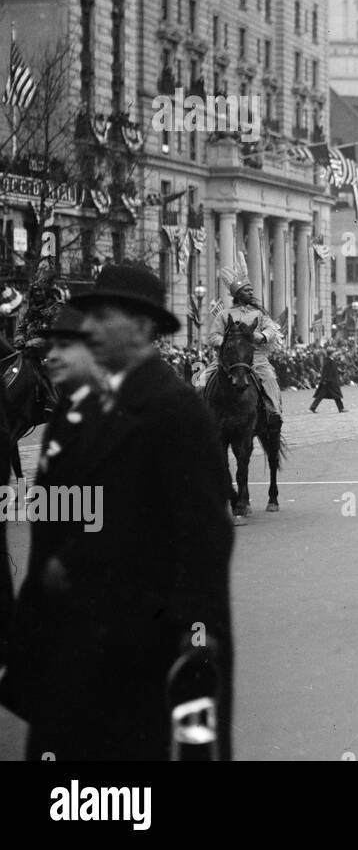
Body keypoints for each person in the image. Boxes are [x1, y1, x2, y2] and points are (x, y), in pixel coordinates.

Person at [4, 266, 233, 760]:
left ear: (142, 325)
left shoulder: (176, 410)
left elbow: (203, 550)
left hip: (136, 653)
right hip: (69, 647)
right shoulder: (77, 409)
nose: (91, 329)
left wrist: (195, 654)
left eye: (105, 317)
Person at [0, 306, 106, 741]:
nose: (51, 356)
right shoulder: (68, 419)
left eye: (64, 347)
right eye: (52, 347)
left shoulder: (124, 416)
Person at [196, 258, 284, 419]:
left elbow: (271, 328)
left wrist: (261, 336)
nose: (251, 293)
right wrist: (228, 343)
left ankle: (273, 410)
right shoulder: (224, 314)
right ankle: (197, 412)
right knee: (200, 380)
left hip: (255, 357)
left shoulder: (259, 313)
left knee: (270, 378)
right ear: (237, 294)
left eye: (251, 290)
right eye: (247, 290)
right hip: (228, 358)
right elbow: (213, 336)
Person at [309, 345, 346, 413]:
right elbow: (325, 371)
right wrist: (324, 380)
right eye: (334, 353)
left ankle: (313, 407)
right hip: (329, 381)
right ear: (331, 353)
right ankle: (341, 408)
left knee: (324, 395)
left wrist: (341, 372)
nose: (335, 354)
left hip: (331, 381)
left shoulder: (331, 360)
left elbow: (334, 369)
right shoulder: (327, 361)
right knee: (335, 395)